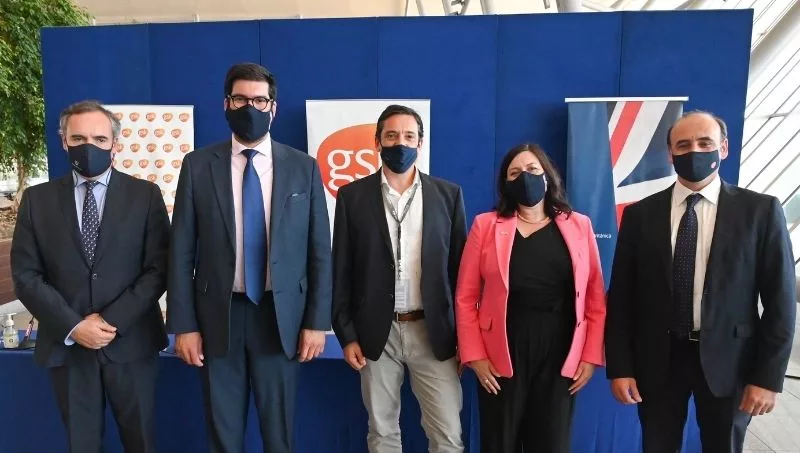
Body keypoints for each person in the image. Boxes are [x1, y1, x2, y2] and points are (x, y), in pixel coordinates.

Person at [605, 111, 796, 453]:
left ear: (723, 148)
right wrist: (620, 368)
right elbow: (621, 298)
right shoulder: (639, 215)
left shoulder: (761, 212)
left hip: (732, 362)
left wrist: (767, 378)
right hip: (658, 360)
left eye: (705, 143)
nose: (694, 151)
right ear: (670, 154)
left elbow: (780, 303)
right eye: (683, 145)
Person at [167, 62, 332, 453]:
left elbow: (319, 251)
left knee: (279, 435)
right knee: (223, 435)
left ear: (273, 107)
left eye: (260, 100)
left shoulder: (303, 167)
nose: (250, 108)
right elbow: (181, 250)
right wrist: (184, 325)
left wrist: (316, 322)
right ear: (226, 104)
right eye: (241, 99)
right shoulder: (197, 166)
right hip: (218, 316)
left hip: (280, 317)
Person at [11, 100, 169, 453]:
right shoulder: (37, 200)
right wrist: (74, 326)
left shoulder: (145, 196)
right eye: (78, 138)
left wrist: (110, 320)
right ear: (64, 141)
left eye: (99, 139)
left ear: (115, 144)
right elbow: (26, 275)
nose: (89, 146)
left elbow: (158, 268)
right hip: (68, 346)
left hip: (130, 343)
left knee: (141, 442)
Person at [331, 104, 467, 453]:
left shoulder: (447, 196)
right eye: (391, 136)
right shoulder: (352, 197)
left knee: (448, 436)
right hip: (376, 332)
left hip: (434, 332)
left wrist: (465, 338)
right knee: (382, 433)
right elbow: (341, 271)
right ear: (377, 142)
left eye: (408, 136)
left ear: (420, 142)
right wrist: (346, 334)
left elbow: (461, 274)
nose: (400, 143)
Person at [455, 143, 606, 453]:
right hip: (501, 352)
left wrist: (591, 356)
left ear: (547, 176)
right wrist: (474, 355)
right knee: (499, 443)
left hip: (561, 351)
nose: (524, 177)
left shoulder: (579, 225)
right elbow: (466, 297)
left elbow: (594, 297)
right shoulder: (486, 225)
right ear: (505, 183)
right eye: (515, 173)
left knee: (551, 443)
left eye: (532, 170)